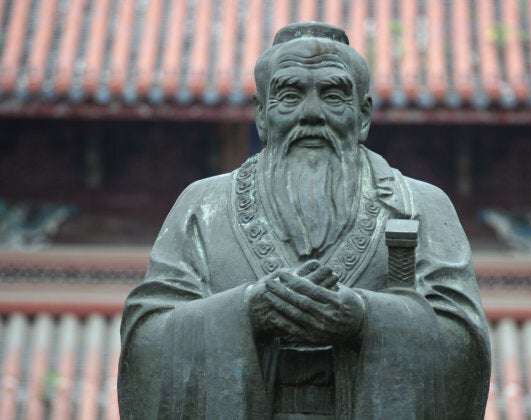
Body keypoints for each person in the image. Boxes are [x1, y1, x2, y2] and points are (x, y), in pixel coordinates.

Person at [118, 22, 490, 419]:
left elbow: (465, 344)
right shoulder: (201, 206)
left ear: (363, 116)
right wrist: (246, 311)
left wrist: (366, 319)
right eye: (290, 95)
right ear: (261, 114)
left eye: (333, 95)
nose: (311, 113)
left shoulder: (420, 206)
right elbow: (146, 342)